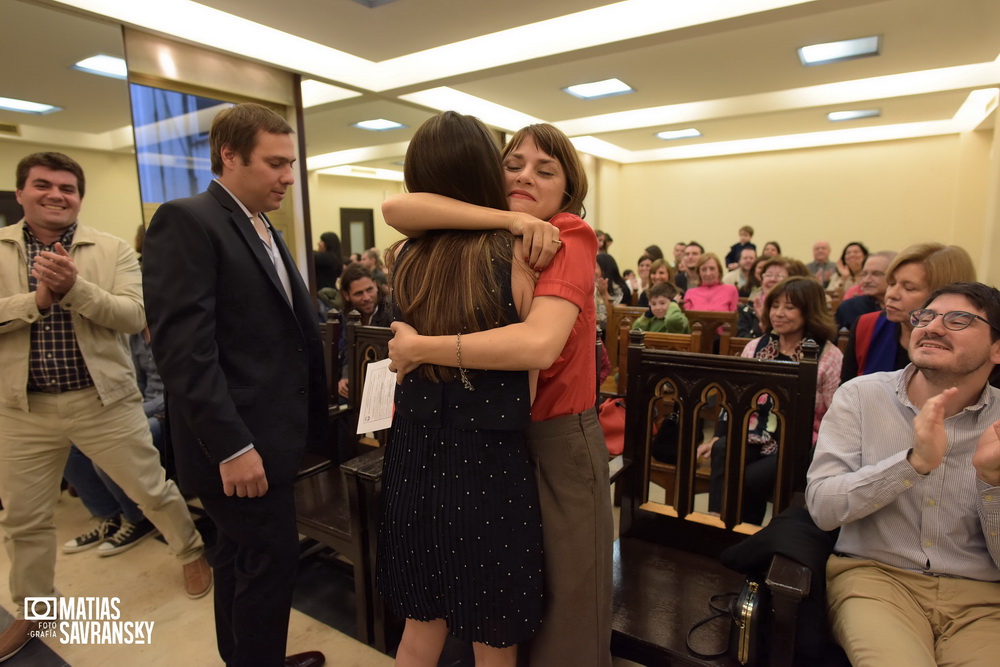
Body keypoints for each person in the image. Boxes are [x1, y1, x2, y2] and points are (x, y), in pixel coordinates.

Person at [383, 122, 614, 667]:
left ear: (568, 188)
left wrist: (421, 349)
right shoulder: (502, 237)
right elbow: (397, 207)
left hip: (553, 437)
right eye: (513, 164)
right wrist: (510, 217)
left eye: (545, 169)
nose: (525, 176)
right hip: (493, 442)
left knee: (566, 610)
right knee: (499, 613)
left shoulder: (567, 234)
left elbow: (536, 345)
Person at [0, 152, 210, 661]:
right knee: (24, 519)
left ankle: (191, 552)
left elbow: (132, 314)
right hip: (21, 409)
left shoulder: (111, 248)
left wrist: (75, 289)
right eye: (43, 185)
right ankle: (36, 607)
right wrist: (37, 301)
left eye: (68, 188)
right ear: (21, 193)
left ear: (79, 196)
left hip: (103, 400)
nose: (56, 195)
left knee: (152, 488)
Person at [142, 103, 327, 667]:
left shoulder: (261, 222)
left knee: (240, 559)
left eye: (290, 163)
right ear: (229, 155)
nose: (288, 178)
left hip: (270, 431)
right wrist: (233, 446)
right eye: (275, 164)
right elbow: (184, 353)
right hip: (238, 443)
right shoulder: (188, 219)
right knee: (268, 563)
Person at [375, 111, 542, 667]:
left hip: (415, 449)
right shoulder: (515, 252)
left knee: (422, 625)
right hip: (490, 455)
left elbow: (398, 208)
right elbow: (534, 377)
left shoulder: (402, 258)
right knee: (493, 633)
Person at [806, 282, 1000, 666]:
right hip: (877, 580)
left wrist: (991, 483)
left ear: (997, 348)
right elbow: (823, 508)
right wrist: (912, 464)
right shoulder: (862, 397)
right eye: (925, 317)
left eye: (959, 320)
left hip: (980, 600)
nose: (933, 327)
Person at [698, 277, 842, 524]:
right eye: (775, 306)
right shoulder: (756, 347)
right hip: (754, 430)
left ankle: (742, 528)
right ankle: (717, 522)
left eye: (789, 307)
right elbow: (734, 397)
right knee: (723, 449)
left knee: (749, 477)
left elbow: (834, 414)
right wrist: (718, 435)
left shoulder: (828, 355)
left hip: (799, 439)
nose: (779, 314)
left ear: (809, 311)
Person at [841, 243, 976, 383]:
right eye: (892, 283)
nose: (891, 294)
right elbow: (844, 393)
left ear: (944, 294)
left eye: (909, 288)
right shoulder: (867, 326)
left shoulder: (970, 343)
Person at [736, 255, 806, 337]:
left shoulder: (799, 308)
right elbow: (741, 342)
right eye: (768, 275)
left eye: (779, 276)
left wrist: (768, 321)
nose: (772, 279)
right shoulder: (748, 309)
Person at [834, 251, 896, 330]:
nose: (867, 280)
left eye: (876, 274)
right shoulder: (848, 308)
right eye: (864, 274)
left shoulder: (905, 308)